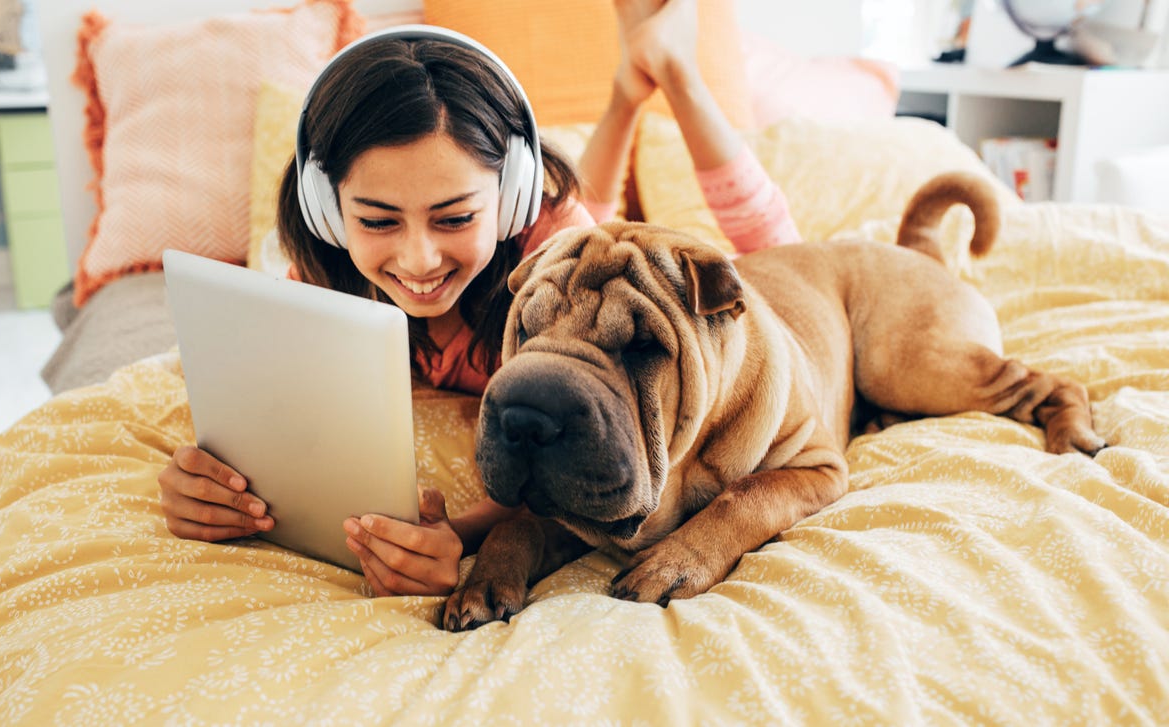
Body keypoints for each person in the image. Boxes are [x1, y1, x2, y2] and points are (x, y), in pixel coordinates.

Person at [156, 0, 800, 599]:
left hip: (562, 237)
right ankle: (627, 93)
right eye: (378, 222)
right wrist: (207, 482)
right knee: (592, 210)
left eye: (454, 217)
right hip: (541, 226)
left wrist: (459, 534)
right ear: (328, 212)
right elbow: (271, 420)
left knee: (774, 252)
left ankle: (672, 76)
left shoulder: (562, 269)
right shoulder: (325, 276)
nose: (418, 261)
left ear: (511, 197)